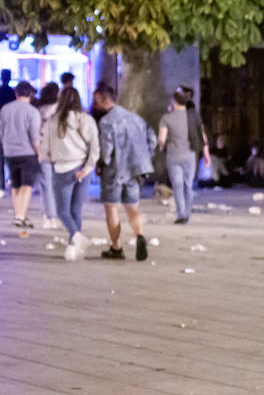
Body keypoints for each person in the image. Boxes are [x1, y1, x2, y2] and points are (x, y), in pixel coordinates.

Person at [92, 83, 153, 262]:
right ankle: (140, 235)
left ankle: (116, 247)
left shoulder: (106, 121)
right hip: (134, 171)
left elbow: (106, 149)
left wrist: (101, 163)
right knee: (132, 207)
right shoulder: (136, 119)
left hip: (114, 171)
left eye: (96, 100)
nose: (94, 104)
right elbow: (151, 140)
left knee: (112, 208)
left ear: (103, 100)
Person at [40, 87, 98, 261]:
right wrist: (87, 169)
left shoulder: (53, 121)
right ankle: (75, 245)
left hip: (62, 169)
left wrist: (49, 158)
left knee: (62, 211)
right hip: (82, 169)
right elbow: (95, 148)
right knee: (75, 209)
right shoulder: (87, 120)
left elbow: (45, 148)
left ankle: (76, 237)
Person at [1, 81, 42, 233]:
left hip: (10, 152)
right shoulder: (32, 112)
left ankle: (18, 215)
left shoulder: (5, 109)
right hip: (27, 152)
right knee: (27, 185)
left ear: (16, 93)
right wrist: (39, 153)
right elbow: (34, 137)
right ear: (30, 95)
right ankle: (21, 216)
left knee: (15, 184)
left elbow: (1, 131)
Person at [158, 89, 199, 224]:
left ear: (174, 102)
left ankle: (181, 213)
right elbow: (200, 134)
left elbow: (162, 139)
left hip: (173, 156)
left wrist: (161, 146)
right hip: (189, 155)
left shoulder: (166, 118)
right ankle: (187, 212)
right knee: (188, 185)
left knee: (177, 185)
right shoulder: (192, 117)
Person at [34, 82, 60, 230]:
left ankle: (49, 214)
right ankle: (55, 213)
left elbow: (37, 132)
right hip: (59, 150)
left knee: (46, 184)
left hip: (44, 149)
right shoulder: (60, 110)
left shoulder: (39, 110)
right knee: (57, 183)